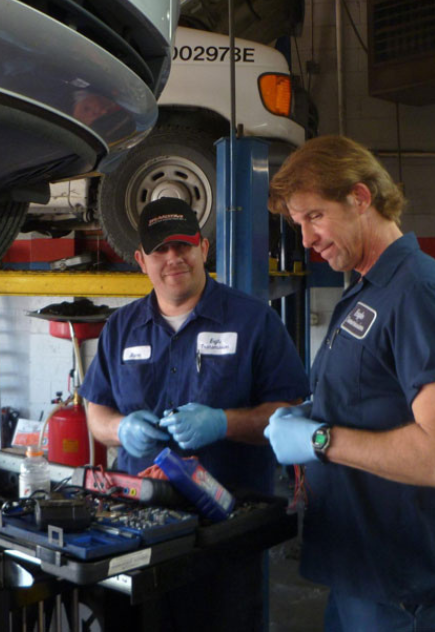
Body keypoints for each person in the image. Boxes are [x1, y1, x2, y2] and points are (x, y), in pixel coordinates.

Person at [264, 135, 435, 632]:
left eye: (314, 217)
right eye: (298, 224)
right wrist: (317, 413)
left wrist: (320, 440)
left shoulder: (419, 291)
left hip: (399, 587)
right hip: (361, 571)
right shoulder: (371, 289)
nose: (306, 239)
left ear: (360, 198)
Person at [80, 196, 309, 630]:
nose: (173, 258)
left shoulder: (253, 321)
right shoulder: (120, 327)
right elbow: (97, 413)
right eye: (160, 250)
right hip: (139, 531)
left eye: (183, 245)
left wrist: (224, 423)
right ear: (141, 260)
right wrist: (121, 428)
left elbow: (291, 412)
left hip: (226, 532)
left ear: (203, 248)